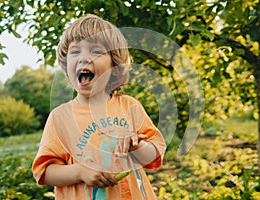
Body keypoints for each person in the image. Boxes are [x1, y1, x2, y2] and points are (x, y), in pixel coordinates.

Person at [32, 14, 166, 200]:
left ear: (114, 66)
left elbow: (154, 154)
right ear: (66, 63)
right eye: (75, 51)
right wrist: (80, 172)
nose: (83, 58)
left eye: (96, 51)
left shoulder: (129, 106)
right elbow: (45, 172)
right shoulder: (60, 117)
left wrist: (137, 146)